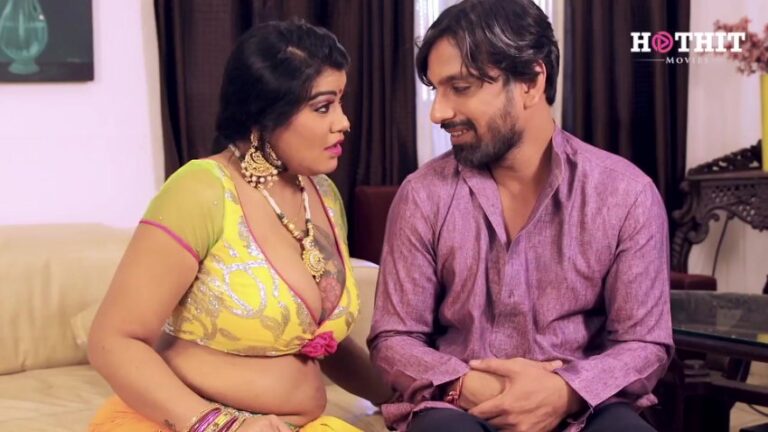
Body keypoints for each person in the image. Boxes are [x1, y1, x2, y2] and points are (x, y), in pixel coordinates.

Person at [368, 1, 673, 431]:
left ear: (531, 81)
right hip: (457, 405)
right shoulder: (422, 194)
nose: (438, 112)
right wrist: (467, 386)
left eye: (461, 87)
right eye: (436, 89)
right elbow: (394, 337)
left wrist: (564, 392)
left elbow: (644, 343)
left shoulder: (626, 194)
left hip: (585, 409)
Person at [88, 20, 391, 432]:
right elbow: (113, 340)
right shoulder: (201, 191)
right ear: (265, 113)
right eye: (323, 107)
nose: (344, 122)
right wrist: (220, 425)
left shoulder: (321, 193)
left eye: (341, 102)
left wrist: (404, 395)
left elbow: (319, 341)